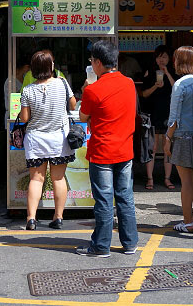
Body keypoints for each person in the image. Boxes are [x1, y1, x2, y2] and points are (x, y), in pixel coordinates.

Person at [77, 40, 138, 257]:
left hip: (102, 151)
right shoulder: (129, 83)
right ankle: (130, 243)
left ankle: (101, 246)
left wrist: (86, 90)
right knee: (125, 197)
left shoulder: (93, 90)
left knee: (103, 200)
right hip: (125, 150)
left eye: (92, 61)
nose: (92, 65)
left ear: (98, 63)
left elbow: (82, 117)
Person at [19, 50, 77, 230]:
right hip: (58, 138)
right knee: (59, 178)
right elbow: (73, 104)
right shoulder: (62, 83)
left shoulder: (28, 90)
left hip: (36, 140)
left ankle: (31, 219)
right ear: (51, 66)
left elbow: (24, 118)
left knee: (36, 179)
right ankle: (58, 217)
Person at [163, 46, 193, 233]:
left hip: (183, 137)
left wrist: (167, 139)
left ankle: (187, 222)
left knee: (186, 182)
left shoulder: (180, 84)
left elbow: (174, 119)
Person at [140, 45, 176, 189]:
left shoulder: (173, 72)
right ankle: (150, 178)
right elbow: (144, 94)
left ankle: (167, 178)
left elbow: (177, 88)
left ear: (169, 59)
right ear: (155, 58)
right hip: (153, 113)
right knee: (153, 147)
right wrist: (156, 85)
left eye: (165, 57)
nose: (162, 60)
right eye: (159, 56)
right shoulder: (149, 73)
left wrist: (167, 73)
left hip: (168, 114)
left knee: (167, 147)